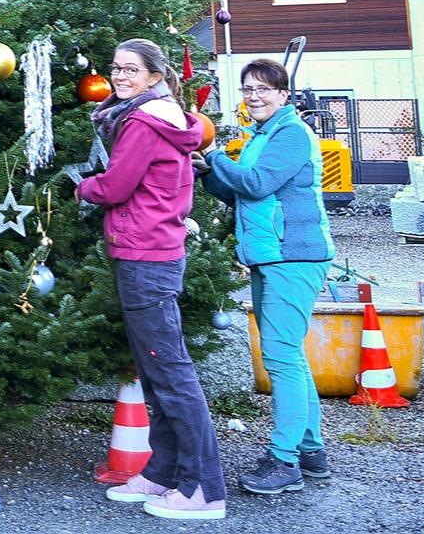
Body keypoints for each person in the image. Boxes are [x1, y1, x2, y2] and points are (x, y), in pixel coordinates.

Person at [78, 40, 227, 522]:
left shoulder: (143, 122)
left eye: (131, 70)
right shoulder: (157, 117)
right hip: (147, 249)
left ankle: (204, 488)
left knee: (171, 371)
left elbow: (117, 185)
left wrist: (82, 185)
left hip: (146, 255)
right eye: (116, 68)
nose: (120, 77)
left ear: (153, 75)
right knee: (154, 370)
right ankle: (164, 472)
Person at [196, 58, 336, 496]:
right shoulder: (262, 135)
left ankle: (285, 461)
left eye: (264, 89)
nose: (254, 96)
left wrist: (216, 154)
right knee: (288, 354)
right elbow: (243, 193)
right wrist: (209, 175)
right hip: (268, 256)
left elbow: (256, 183)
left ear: (283, 95)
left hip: (293, 258)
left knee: (279, 357)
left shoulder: (292, 133)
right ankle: (310, 451)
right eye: (248, 89)